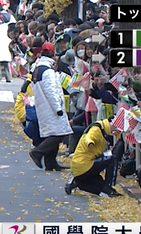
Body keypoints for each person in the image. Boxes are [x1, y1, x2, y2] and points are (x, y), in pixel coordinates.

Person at [28, 41, 69, 171]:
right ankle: (37, 152)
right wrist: (58, 108)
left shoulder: (37, 68)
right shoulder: (48, 71)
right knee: (58, 134)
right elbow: (51, 91)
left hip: (43, 106)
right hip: (51, 107)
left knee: (51, 133)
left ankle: (50, 162)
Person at [65, 119, 121, 197]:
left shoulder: (102, 130)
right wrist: (90, 142)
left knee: (99, 183)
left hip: (80, 167)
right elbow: (89, 137)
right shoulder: (96, 129)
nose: (115, 129)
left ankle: (77, 182)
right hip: (84, 164)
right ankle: (108, 186)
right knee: (112, 159)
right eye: (114, 126)